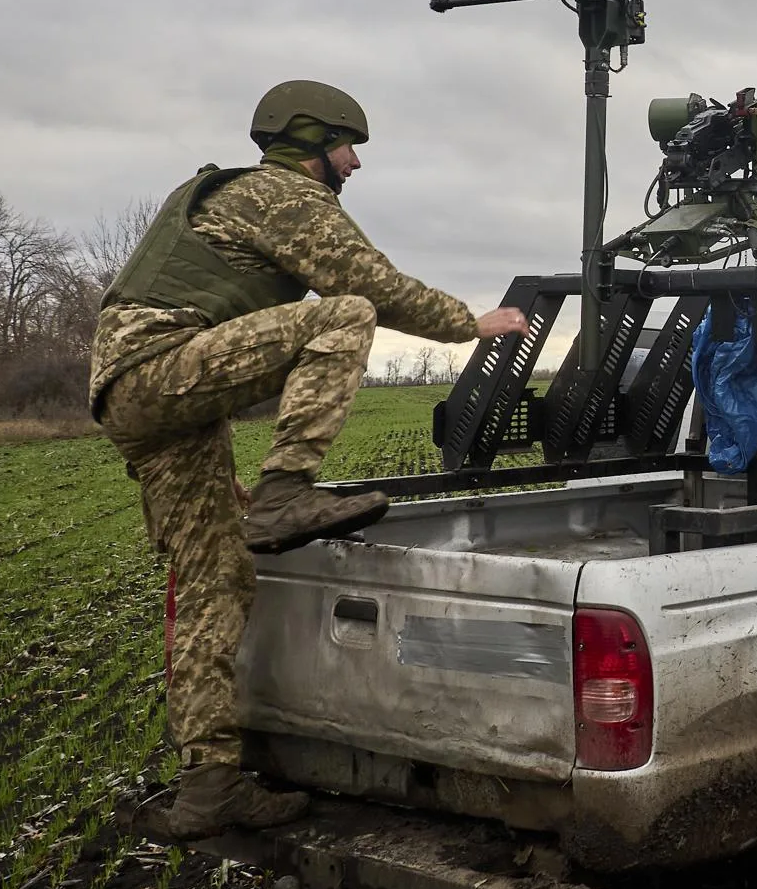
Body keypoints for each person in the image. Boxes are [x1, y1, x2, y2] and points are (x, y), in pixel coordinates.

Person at [90, 80, 529, 839]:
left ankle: (209, 786)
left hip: (147, 394)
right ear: (310, 143)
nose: (355, 163)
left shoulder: (229, 194)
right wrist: (469, 323)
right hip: (162, 367)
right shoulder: (279, 194)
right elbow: (366, 281)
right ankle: (286, 488)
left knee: (215, 581)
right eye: (347, 146)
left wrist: (198, 452)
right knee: (347, 313)